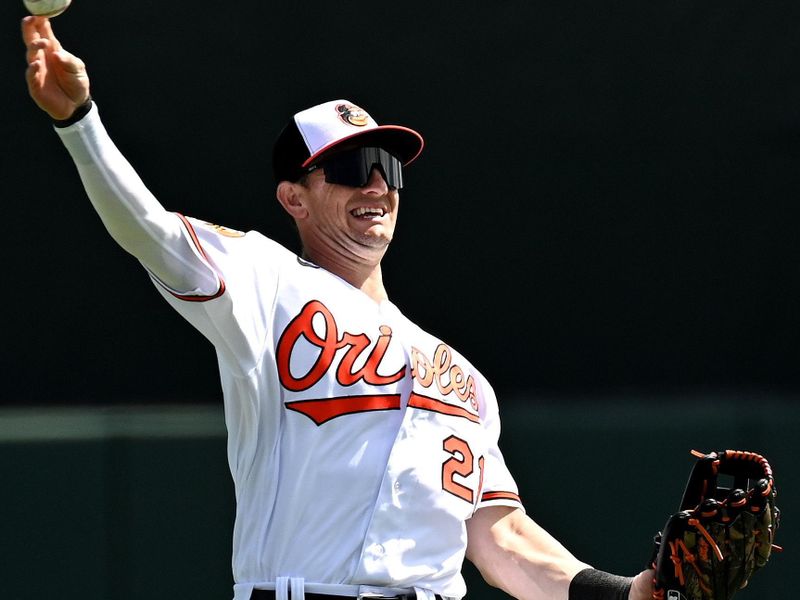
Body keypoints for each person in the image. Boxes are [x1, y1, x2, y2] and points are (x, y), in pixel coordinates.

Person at [22, 15, 654, 600]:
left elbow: (503, 541)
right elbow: (149, 232)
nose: (377, 185)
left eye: (388, 168)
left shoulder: (465, 378)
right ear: (294, 198)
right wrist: (80, 123)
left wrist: (625, 594)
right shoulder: (264, 282)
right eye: (352, 167)